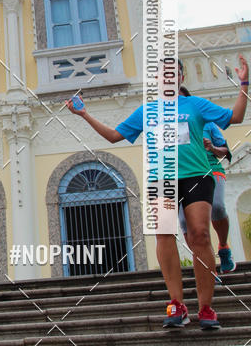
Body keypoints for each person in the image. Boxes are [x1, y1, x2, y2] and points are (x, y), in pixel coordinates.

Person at [66, 55, 248, 330]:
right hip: (160, 179)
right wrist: (84, 114)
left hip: (197, 176)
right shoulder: (146, 111)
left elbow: (235, 117)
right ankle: (177, 304)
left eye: (173, 73)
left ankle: (206, 307)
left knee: (199, 235)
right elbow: (114, 136)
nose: (167, 77)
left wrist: (244, 82)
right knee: (164, 234)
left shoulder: (195, 105)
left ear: (181, 78)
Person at [177, 91, 235, 274]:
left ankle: (224, 247)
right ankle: (205, 265)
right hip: (184, 174)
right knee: (185, 221)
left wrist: (211, 147)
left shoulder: (208, 123)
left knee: (217, 207)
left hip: (211, 169)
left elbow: (225, 151)